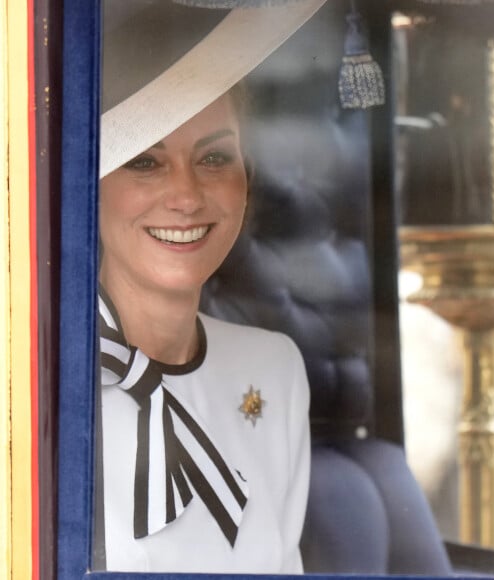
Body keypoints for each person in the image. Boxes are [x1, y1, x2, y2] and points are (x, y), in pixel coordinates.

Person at [95, 0, 326, 572]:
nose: (187, 195)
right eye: (145, 162)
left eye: (215, 157)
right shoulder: (28, 382)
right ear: (89, 181)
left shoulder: (275, 370)